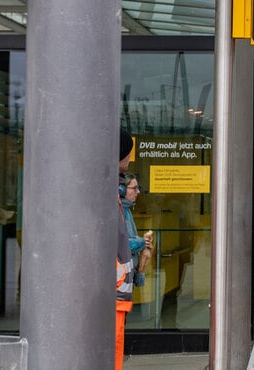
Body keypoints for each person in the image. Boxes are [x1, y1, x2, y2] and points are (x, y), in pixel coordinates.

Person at [115, 129, 136, 369]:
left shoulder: (113, 193)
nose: (130, 158)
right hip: (110, 296)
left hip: (117, 295)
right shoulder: (105, 192)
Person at [120, 174, 154, 289]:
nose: (138, 191)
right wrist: (142, 242)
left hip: (127, 275)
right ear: (121, 190)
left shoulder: (126, 210)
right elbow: (120, 244)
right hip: (120, 277)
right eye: (134, 188)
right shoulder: (117, 211)